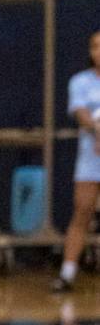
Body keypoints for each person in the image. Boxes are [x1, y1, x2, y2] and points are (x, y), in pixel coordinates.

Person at [53, 29, 100, 292]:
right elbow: (82, 114)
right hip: (91, 159)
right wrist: (96, 126)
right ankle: (68, 272)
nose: (98, 51)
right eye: (94, 46)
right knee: (82, 211)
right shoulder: (80, 82)